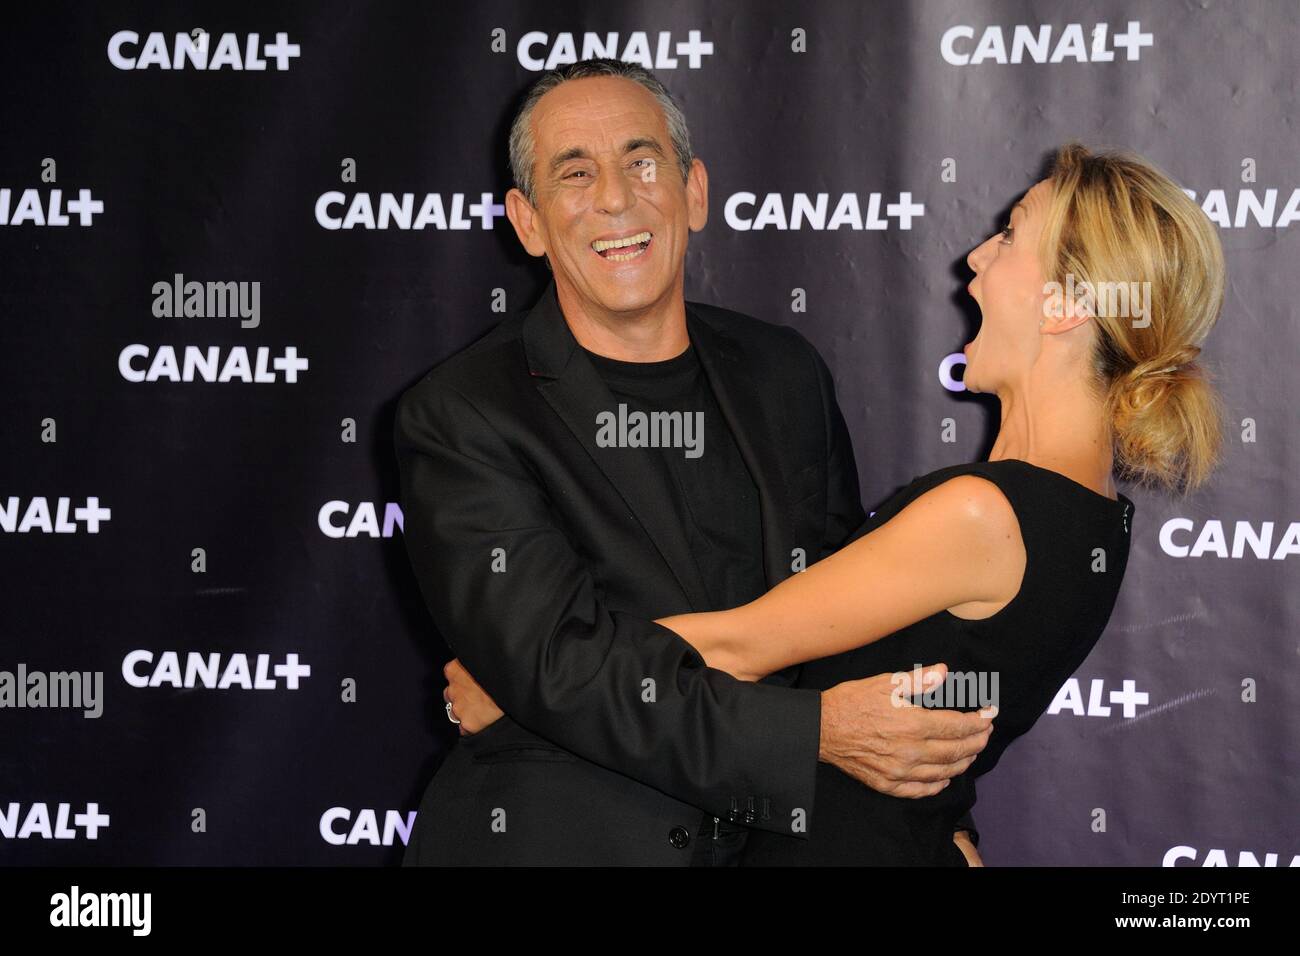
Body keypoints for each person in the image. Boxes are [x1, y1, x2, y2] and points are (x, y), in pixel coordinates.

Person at [444, 142, 1227, 865]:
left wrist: (521, 687)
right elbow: (948, 708)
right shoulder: (1091, 519)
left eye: (1011, 237)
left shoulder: (983, 515)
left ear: (1065, 306)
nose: (977, 259)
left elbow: (740, 645)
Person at [396, 57, 991, 867]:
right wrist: (813, 734)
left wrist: (938, 821)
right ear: (527, 222)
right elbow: (566, 670)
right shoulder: (463, 412)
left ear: (695, 191)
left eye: (642, 162)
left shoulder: (785, 372)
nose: (615, 197)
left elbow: (856, 621)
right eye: (575, 173)